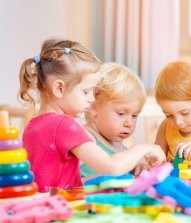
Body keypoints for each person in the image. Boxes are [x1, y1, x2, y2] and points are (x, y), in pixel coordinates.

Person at [19, 38, 166, 192]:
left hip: (41, 204)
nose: (92, 98)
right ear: (59, 89)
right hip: (62, 206)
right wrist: (142, 148)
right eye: (86, 91)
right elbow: (111, 166)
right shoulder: (64, 124)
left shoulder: (33, 124)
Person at [80, 62, 149, 179]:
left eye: (134, 115)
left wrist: (139, 165)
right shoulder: (86, 137)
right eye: (121, 114)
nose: (129, 123)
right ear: (93, 107)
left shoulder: (121, 147)